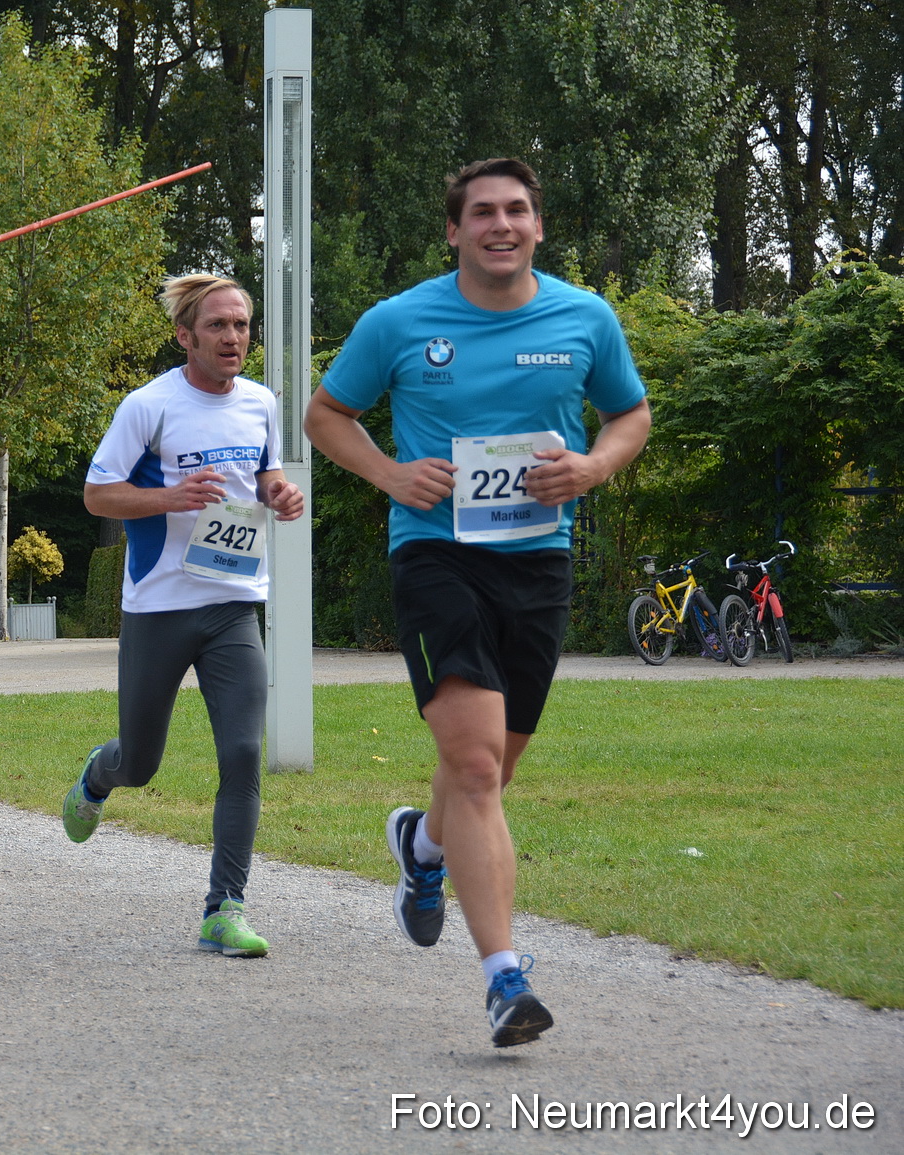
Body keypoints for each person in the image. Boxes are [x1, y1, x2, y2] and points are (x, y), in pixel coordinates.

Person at [304, 158, 652, 1048]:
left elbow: (629, 414)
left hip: (537, 562)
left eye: (519, 210)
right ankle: (506, 981)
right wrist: (390, 473)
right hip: (435, 554)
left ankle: (424, 846)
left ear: (539, 226)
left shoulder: (585, 317)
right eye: (484, 213)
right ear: (454, 232)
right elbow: (326, 414)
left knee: (493, 765)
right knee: (478, 769)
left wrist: (595, 465)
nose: (503, 224)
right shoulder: (400, 321)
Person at [61, 272, 305, 959]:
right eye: (219, 326)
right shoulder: (150, 406)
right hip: (161, 606)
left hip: (234, 604)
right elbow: (97, 496)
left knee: (244, 750)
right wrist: (169, 498)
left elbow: (262, 474)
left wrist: (279, 491)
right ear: (185, 335)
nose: (234, 337)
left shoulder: (260, 402)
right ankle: (97, 777)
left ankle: (224, 906)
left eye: (242, 325)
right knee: (140, 761)